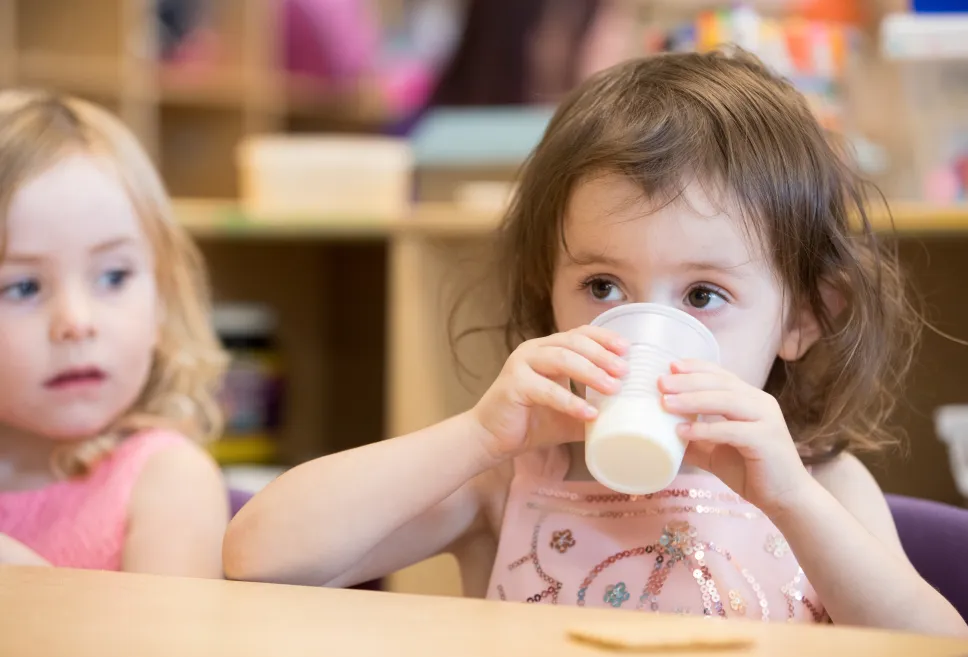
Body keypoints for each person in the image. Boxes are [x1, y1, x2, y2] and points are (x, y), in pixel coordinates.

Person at [223, 50, 967, 634]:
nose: (645, 330)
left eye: (703, 295)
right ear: (549, 291)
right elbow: (256, 558)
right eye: (603, 286)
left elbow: (937, 642)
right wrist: (475, 436)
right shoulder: (509, 478)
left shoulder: (820, 486)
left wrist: (794, 500)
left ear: (803, 318)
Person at [0, 90, 228, 577]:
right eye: (22, 287)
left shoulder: (168, 482)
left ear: (163, 295)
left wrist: (21, 579)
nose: (76, 322)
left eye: (112, 278)